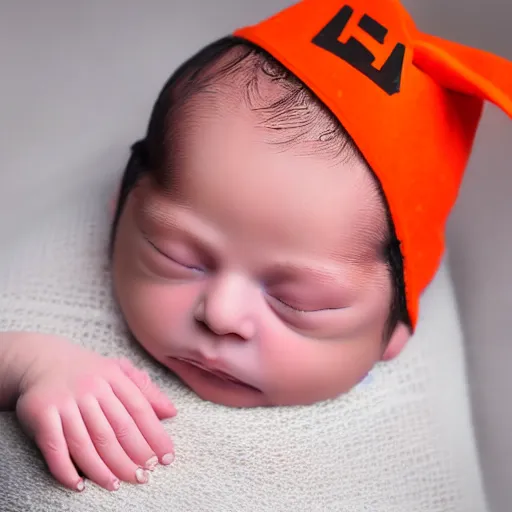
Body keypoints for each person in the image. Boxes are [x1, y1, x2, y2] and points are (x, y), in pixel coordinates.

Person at [0, 0, 510, 496]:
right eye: (178, 256)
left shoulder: (418, 462)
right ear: (122, 203)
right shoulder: (55, 310)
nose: (220, 315)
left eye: (298, 302)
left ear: (398, 325)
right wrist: (26, 364)